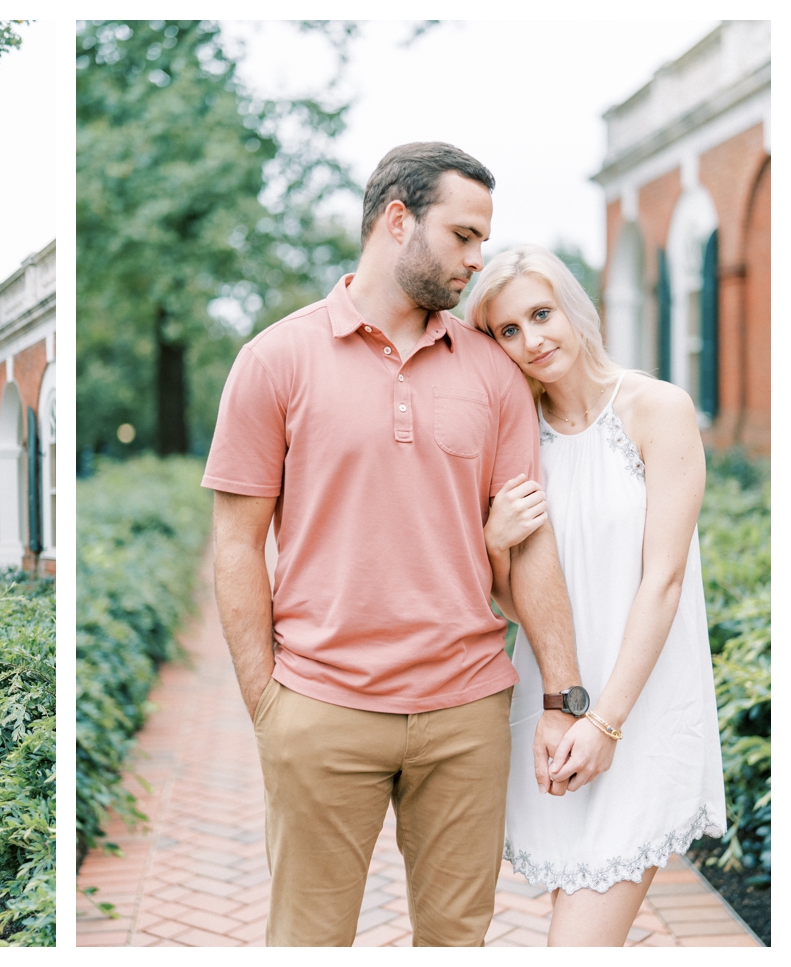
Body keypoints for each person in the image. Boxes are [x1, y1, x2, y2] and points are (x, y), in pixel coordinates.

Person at [204, 142, 588, 946]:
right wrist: (268, 705)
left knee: (457, 941)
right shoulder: (275, 359)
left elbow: (533, 544)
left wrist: (561, 695)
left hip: (466, 712)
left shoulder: (493, 372)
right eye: (463, 235)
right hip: (321, 706)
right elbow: (236, 544)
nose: (477, 260)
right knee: (307, 941)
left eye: (484, 239)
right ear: (398, 218)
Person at [466, 245, 726, 946]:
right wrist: (494, 541)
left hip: (636, 709)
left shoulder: (658, 409)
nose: (532, 340)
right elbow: (518, 603)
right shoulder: (515, 436)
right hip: (554, 706)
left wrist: (605, 723)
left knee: (574, 944)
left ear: (574, 307)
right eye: (507, 331)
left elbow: (663, 581)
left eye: (541, 313)